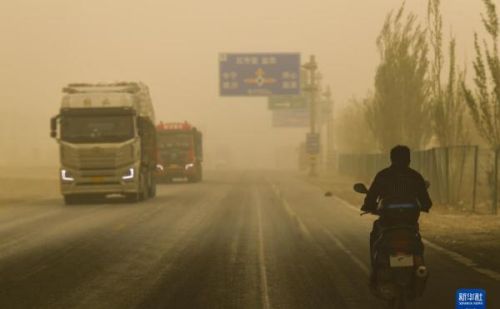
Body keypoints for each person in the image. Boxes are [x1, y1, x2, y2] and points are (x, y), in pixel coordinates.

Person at [361, 145, 432, 288]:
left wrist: (368, 206)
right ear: (409, 159)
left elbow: (371, 198)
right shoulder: (415, 176)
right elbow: (427, 202)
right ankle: (419, 267)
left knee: (375, 234)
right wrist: (423, 206)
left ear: (391, 158)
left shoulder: (383, 175)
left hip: (387, 224)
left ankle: (375, 270)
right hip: (409, 224)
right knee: (416, 242)